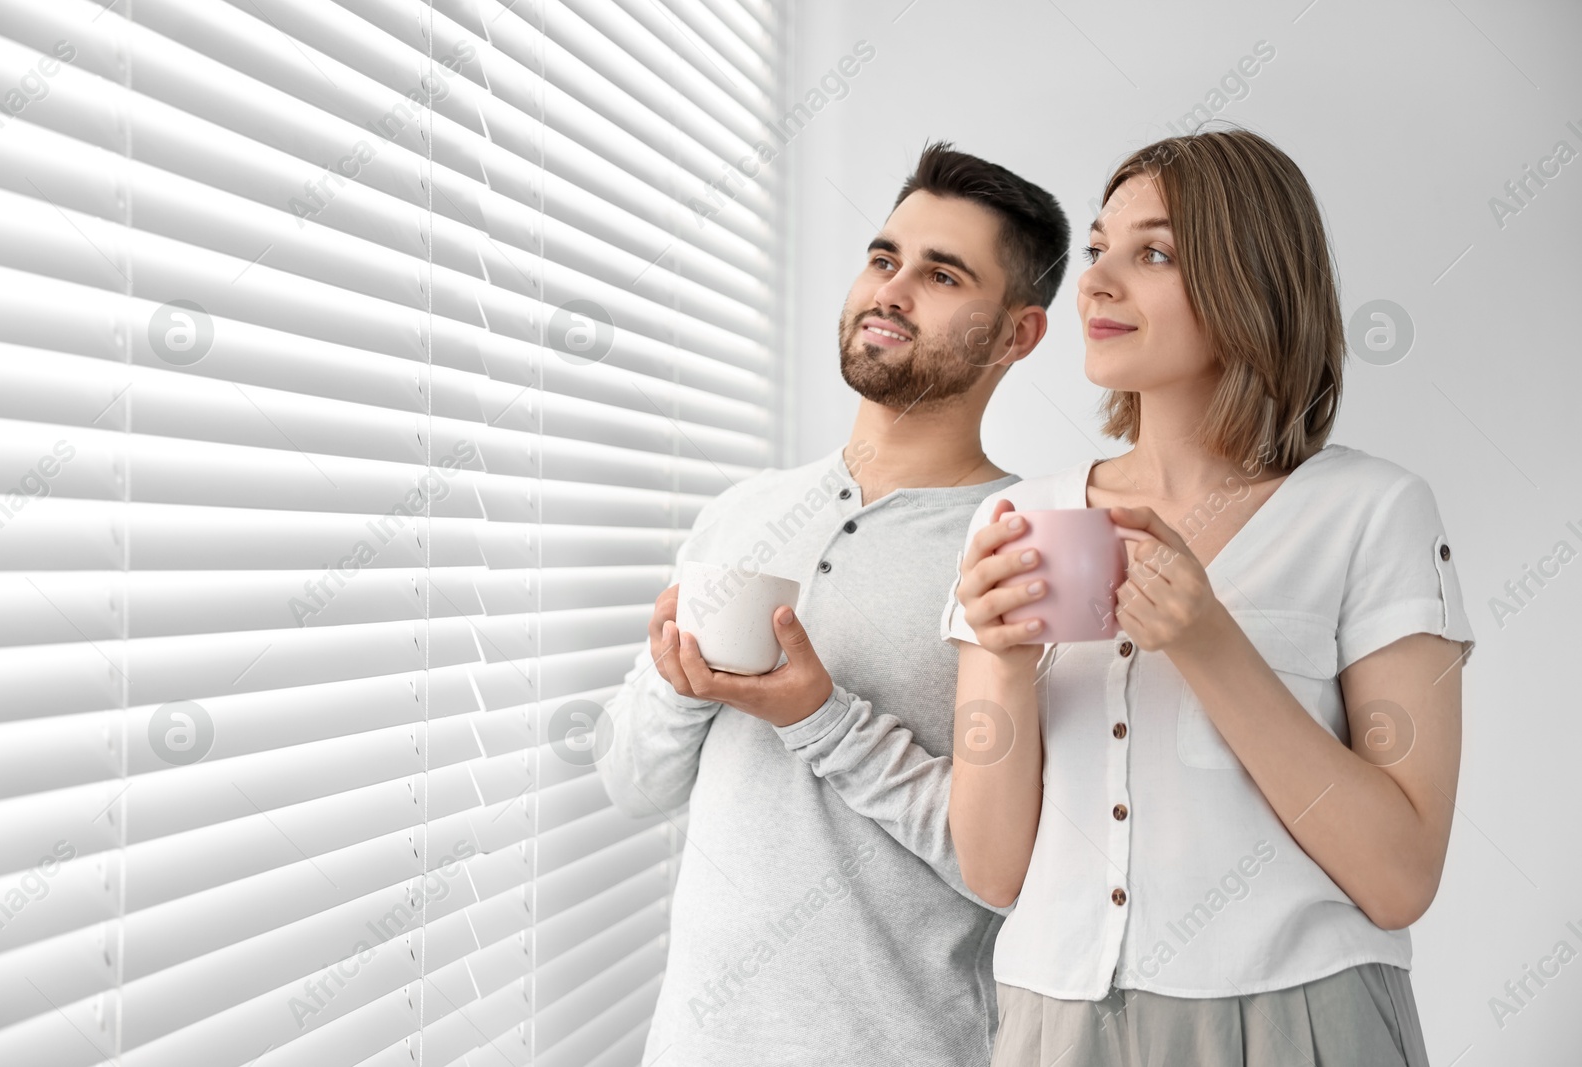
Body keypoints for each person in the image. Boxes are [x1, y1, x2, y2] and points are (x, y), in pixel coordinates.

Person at [791, 128, 1474, 1066]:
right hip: (1056, 1026)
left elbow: (1401, 877)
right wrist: (997, 657)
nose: (1098, 281)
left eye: (1152, 253)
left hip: (1302, 1022)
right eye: (1101, 248)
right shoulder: (1021, 516)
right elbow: (993, 870)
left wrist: (1208, 642)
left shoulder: (1371, 511)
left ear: (1253, 279)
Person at [596, 142, 1071, 1065]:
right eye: (885, 258)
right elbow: (631, 782)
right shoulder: (744, 512)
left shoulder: (1026, 547)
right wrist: (679, 682)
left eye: (941, 274)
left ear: (1018, 335)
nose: (892, 291)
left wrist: (821, 718)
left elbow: (1007, 869)